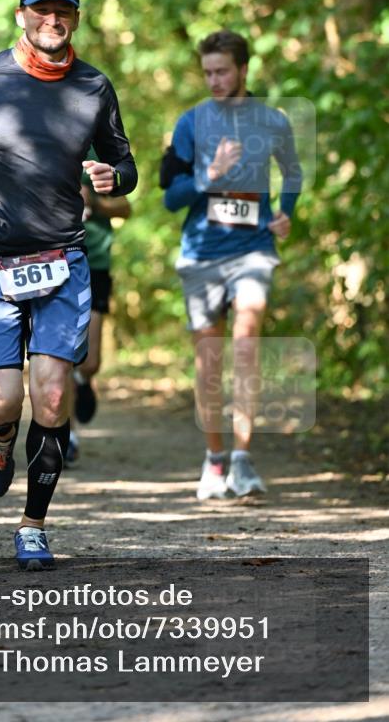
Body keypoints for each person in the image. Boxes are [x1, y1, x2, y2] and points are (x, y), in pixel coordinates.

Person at [0, 0, 137, 569]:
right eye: (41, 9)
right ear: (21, 14)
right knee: (0, 402)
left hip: (63, 260)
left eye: (63, 11)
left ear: (76, 18)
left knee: (51, 397)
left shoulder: (94, 87)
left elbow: (127, 166)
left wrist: (111, 176)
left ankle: (33, 525)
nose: (52, 19)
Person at [160, 30, 302, 500]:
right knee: (210, 362)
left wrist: (287, 212)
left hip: (254, 248)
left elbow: (294, 172)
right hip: (201, 253)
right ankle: (215, 460)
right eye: (207, 73)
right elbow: (170, 198)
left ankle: (243, 459)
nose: (214, 80)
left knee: (246, 342)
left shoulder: (272, 122)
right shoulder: (190, 124)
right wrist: (210, 175)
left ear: (243, 69)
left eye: (222, 71)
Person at [66, 154, 131, 466]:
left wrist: (94, 201)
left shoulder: (99, 151)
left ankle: (83, 379)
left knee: (89, 361)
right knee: (60, 354)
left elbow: (125, 208)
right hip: (55, 261)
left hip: (96, 263)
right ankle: (67, 434)